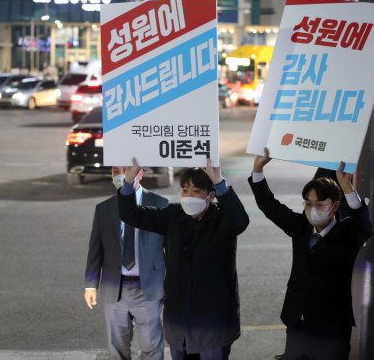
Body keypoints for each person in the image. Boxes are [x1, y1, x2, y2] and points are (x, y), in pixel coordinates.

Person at [119, 158, 250, 360]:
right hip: (179, 318)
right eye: (185, 190)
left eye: (196, 191)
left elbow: (241, 221)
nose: (189, 196)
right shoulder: (172, 216)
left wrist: (218, 180)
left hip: (212, 321)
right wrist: (128, 181)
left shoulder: (223, 220)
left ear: (210, 195)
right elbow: (131, 214)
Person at [249, 148, 372, 360]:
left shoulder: (347, 233)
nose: (312, 209)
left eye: (319, 204)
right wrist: (258, 169)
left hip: (331, 330)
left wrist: (347, 187)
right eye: (308, 203)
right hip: (297, 323)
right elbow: (269, 205)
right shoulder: (300, 227)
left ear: (334, 206)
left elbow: (364, 227)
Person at [85, 166, 169, 360]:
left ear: (141, 173)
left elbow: (170, 248)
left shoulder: (160, 203)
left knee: (152, 348)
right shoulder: (103, 208)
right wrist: (90, 285)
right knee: (117, 348)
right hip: (116, 288)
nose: (121, 175)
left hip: (148, 288)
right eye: (116, 171)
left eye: (127, 169)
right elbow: (95, 250)